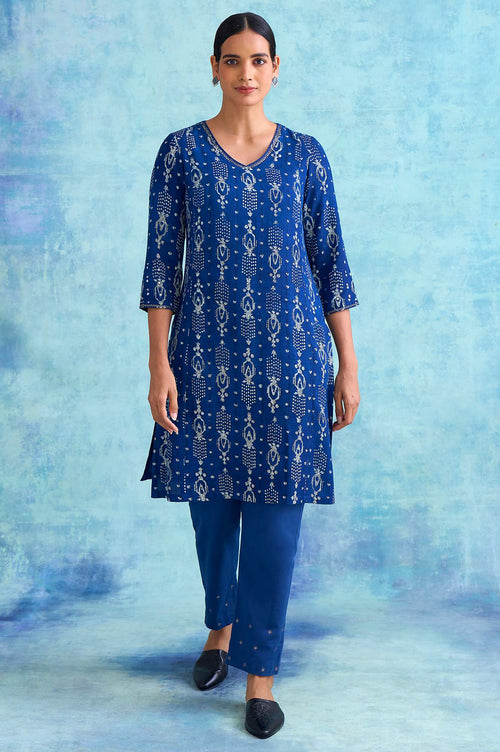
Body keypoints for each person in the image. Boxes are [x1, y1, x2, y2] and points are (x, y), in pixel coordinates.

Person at [139, 11, 360, 740]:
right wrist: (158, 362)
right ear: (214, 67)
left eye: (258, 59)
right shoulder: (180, 154)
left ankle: (260, 675)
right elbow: (160, 266)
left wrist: (348, 363)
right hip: (203, 362)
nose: (246, 73)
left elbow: (331, 264)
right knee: (211, 515)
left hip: (292, 363)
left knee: (275, 524)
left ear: (276, 68)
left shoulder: (305, 157)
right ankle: (220, 627)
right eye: (232, 60)